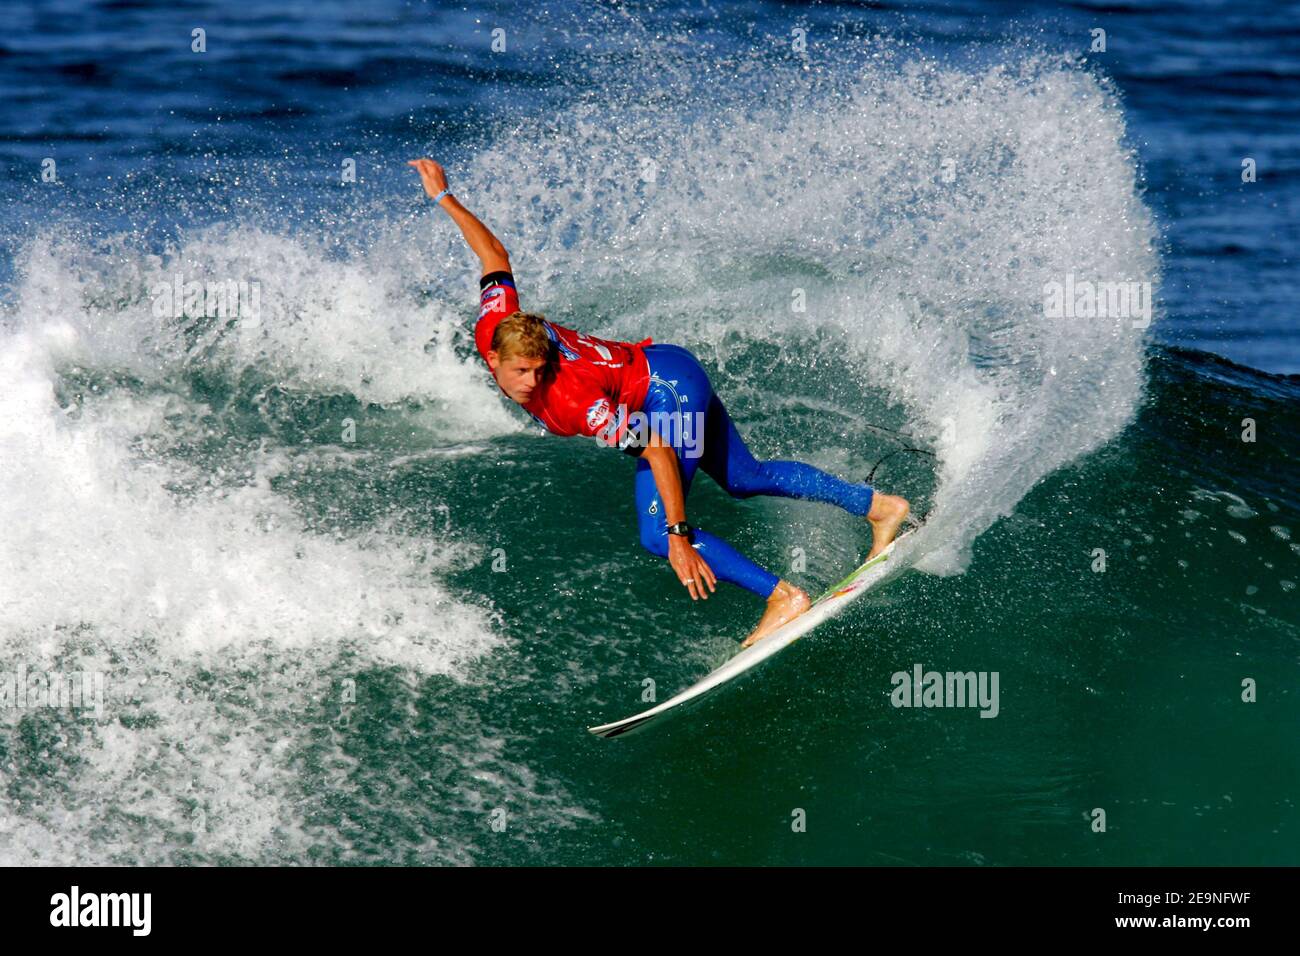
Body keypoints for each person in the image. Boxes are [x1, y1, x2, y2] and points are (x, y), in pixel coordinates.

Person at [409, 158, 910, 647]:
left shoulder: (575, 403)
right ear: (492, 355)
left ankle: (784, 596)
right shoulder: (496, 322)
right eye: (520, 371)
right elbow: (494, 254)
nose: (531, 381)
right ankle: (880, 507)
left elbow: (657, 450)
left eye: (540, 369)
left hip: (668, 392)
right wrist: (442, 196)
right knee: (744, 477)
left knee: (655, 534)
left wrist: (676, 536)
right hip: (671, 367)